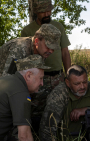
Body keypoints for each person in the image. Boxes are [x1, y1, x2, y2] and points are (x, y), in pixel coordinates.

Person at [20, 0, 72, 132]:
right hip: (38, 79)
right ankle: (36, 140)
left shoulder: (58, 27)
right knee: (36, 111)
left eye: (49, 10)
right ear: (36, 11)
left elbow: (65, 53)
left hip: (58, 77)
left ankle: (58, 138)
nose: (47, 14)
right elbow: (25, 57)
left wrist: (69, 75)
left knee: (59, 108)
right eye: (43, 11)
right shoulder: (27, 31)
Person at [39, 65, 90, 141]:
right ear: (67, 83)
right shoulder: (59, 95)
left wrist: (87, 110)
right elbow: (47, 128)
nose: (82, 87)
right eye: (77, 84)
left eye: (85, 82)